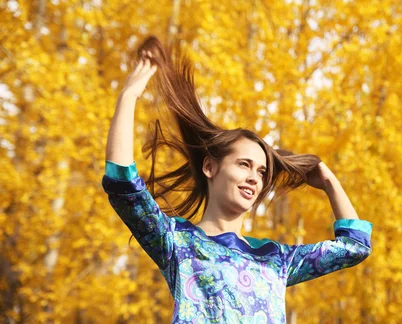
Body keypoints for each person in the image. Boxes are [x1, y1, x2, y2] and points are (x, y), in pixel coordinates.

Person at [102, 36, 373, 323]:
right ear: (210, 167)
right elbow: (123, 185)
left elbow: (355, 246)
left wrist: (330, 181)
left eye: (261, 171)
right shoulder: (177, 242)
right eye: (244, 165)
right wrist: (129, 95)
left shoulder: (277, 259)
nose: (254, 178)